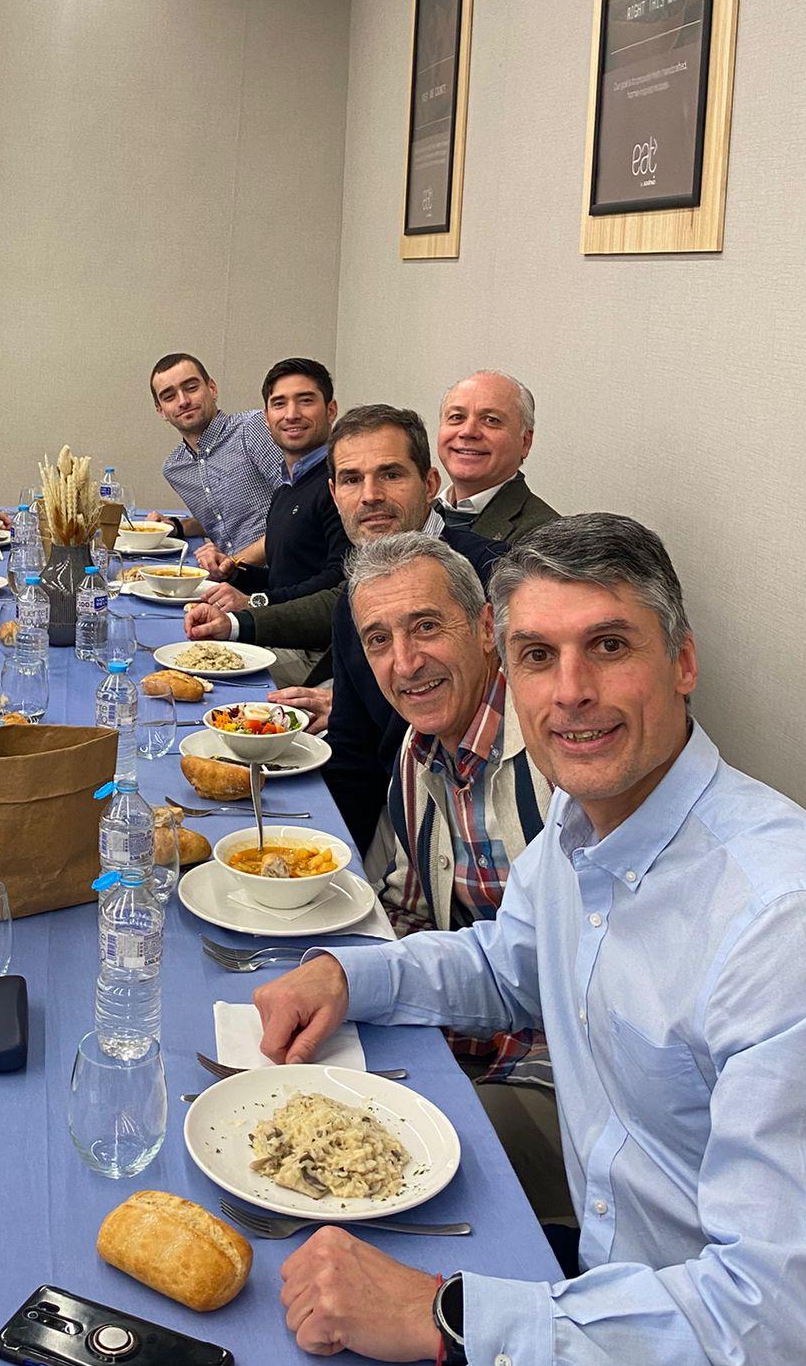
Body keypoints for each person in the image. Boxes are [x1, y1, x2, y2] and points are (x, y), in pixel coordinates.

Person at [254, 515, 806, 1366]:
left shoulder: (792, 925)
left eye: (607, 646)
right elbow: (504, 965)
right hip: (631, 1285)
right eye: (537, 655)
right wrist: (347, 973)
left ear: (683, 661)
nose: (570, 692)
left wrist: (440, 1315)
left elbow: (774, 1332)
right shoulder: (588, 817)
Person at [345, 529, 565, 1219]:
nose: (405, 662)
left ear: (485, 628)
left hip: (562, 1070)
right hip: (469, 1035)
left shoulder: (561, 750)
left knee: (382, 1177)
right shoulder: (419, 749)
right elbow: (406, 908)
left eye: (426, 628)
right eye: (378, 640)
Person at [185, 405, 502, 852]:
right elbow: (354, 753)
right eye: (353, 479)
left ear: (430, 485)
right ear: (334, 495)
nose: (370, 495)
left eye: (390, 474)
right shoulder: (359, 590)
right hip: (401, 821)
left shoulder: (495, 577)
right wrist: (326, 859)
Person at [194, 357, 345, 607]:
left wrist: (255, 602)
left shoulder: (340, 483)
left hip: (306, 643)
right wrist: (233, 572)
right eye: (279, 404)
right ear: (266, 418)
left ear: (331, 410)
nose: (291, 414)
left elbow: (337, 583)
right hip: (278, 626)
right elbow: (282, 580)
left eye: (305, 401)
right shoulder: (286, 489)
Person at [150, 352, 282, 575]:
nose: (183, 401)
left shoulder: (252, 428)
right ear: (161, 410)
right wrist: (176, 527)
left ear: (212, 389)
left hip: (279, 574)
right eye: (169, 396)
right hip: (233, 577)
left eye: (191, 387)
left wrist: (233, 562)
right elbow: (224, 515)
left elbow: (299, 514)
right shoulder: (175, 468)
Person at [436, 371, 559, 543]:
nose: (468, 431)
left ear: (525, 442)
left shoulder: (547, 537)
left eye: (491, 420)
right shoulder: (417, 512)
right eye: (457, 417)